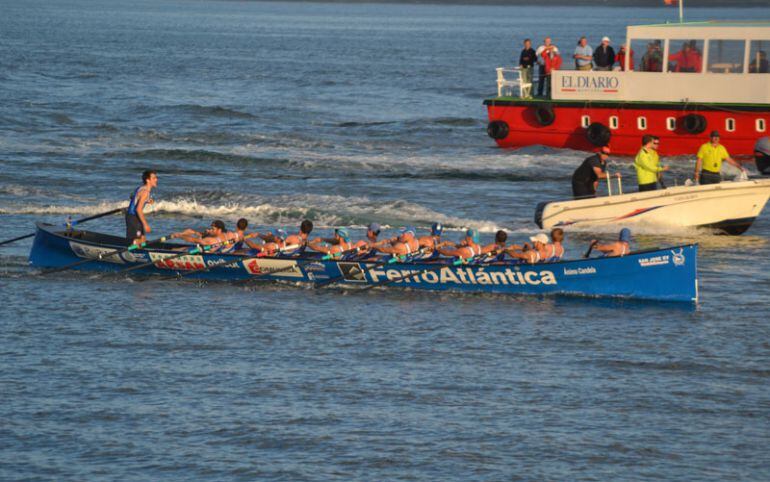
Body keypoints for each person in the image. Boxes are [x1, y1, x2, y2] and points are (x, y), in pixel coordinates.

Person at [125, 169, 157, 245]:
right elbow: (138, 209)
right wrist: (145, 224)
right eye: (154, 178)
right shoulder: (145, 192)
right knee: (138, 241)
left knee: (143, 238)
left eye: (156, 177)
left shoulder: (140, 188)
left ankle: (138, 251)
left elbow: (132, 196)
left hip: (133, 217)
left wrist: (147, 200)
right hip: (133, 218)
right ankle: (130, 248)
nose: (156, 179)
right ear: (148, 180)